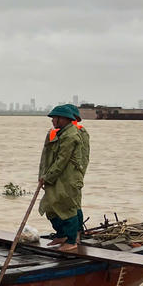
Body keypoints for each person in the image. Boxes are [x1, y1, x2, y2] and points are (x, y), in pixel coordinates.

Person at [38, 104, 88, 250]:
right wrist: (44, 175)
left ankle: (71, 240)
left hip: (68, 178)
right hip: (57, 177)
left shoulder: (72, 135)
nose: (52, 121)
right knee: (50, 206)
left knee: (68, 208)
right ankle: (62, 234)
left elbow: (62, 160)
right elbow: (48, 157)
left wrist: (48, 177)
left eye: (55, 118)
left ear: (64, 119)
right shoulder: (61, 133)